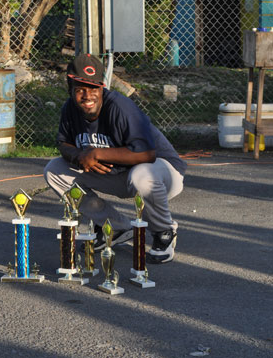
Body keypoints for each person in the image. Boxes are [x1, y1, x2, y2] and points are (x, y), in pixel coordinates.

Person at [44, 53, 186, 263]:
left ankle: (163, 231)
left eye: (93, 88)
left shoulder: (120, 107)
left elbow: (147, 154)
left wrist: (96, 153)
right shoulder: (70, 109)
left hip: (162, 174)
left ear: (102, 87)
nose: (87, 95)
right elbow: (63, 143)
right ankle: (117, 227)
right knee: (54, 170)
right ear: (70, 89)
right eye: (80, 89)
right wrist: (78, 155)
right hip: (120, 175)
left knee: (142, 174)